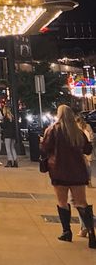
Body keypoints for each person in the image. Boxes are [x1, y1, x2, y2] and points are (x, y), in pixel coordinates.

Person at [40, 104, 95, 248]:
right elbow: (88, 149)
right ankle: (91, 232)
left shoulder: (52, 130)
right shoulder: (77, 131)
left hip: (59, 170)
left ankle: (66, 231)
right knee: (82, 202)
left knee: (62, 202)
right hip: (78, 172)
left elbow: (45, 148)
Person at [75, 113, 94, 237]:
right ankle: (87, 227)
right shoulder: (86, 130)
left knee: (79, 201)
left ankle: (88, 226)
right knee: (79, 200)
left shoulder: (77, 133)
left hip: (79, 166)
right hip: (84, 164)